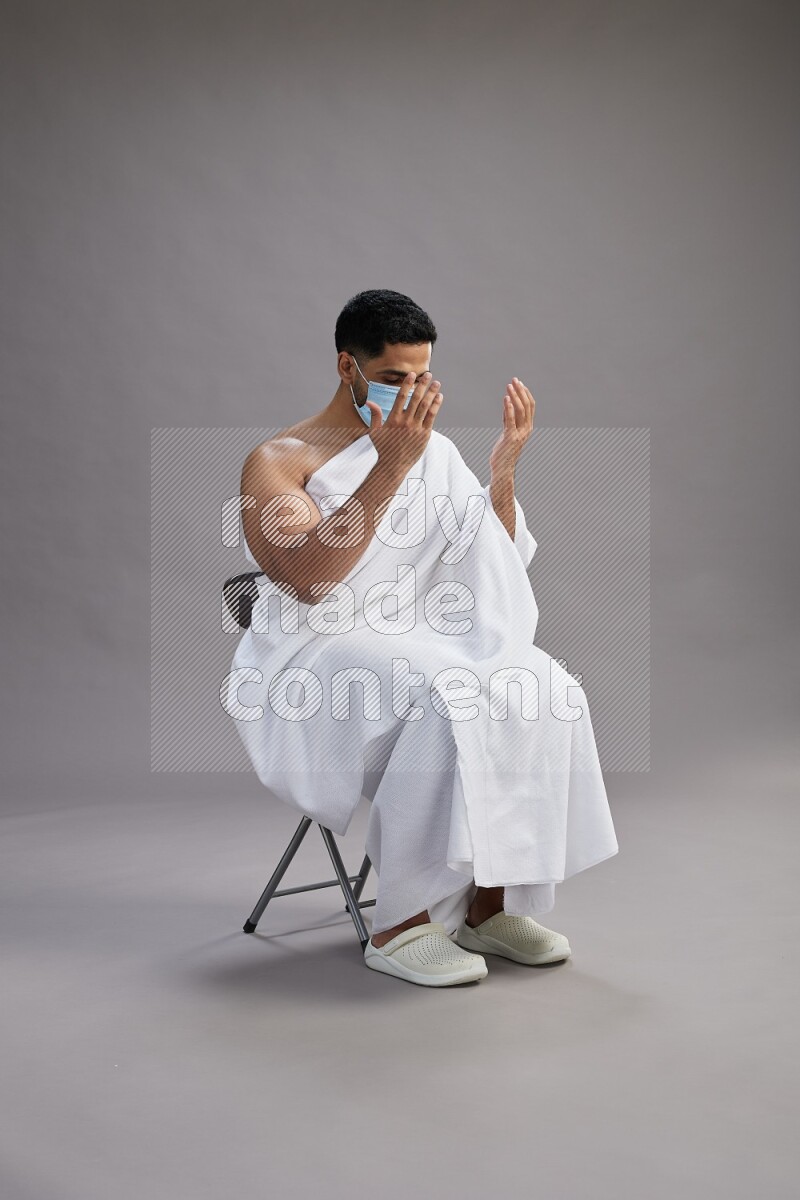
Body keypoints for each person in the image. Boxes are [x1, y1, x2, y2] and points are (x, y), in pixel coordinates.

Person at [224, 289, 619, 988]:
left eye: (422, 377)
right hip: (314, 652)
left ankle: (489, 905)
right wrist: (389, 466)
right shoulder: (280, 461)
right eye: (392, 378)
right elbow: (310, 580)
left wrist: (502, 471)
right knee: (448, 696)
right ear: (348, 366)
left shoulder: (430, 452)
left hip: (417, 633)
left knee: (540, 683)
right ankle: (400, 925)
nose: (410, 394)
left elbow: (492, 559)